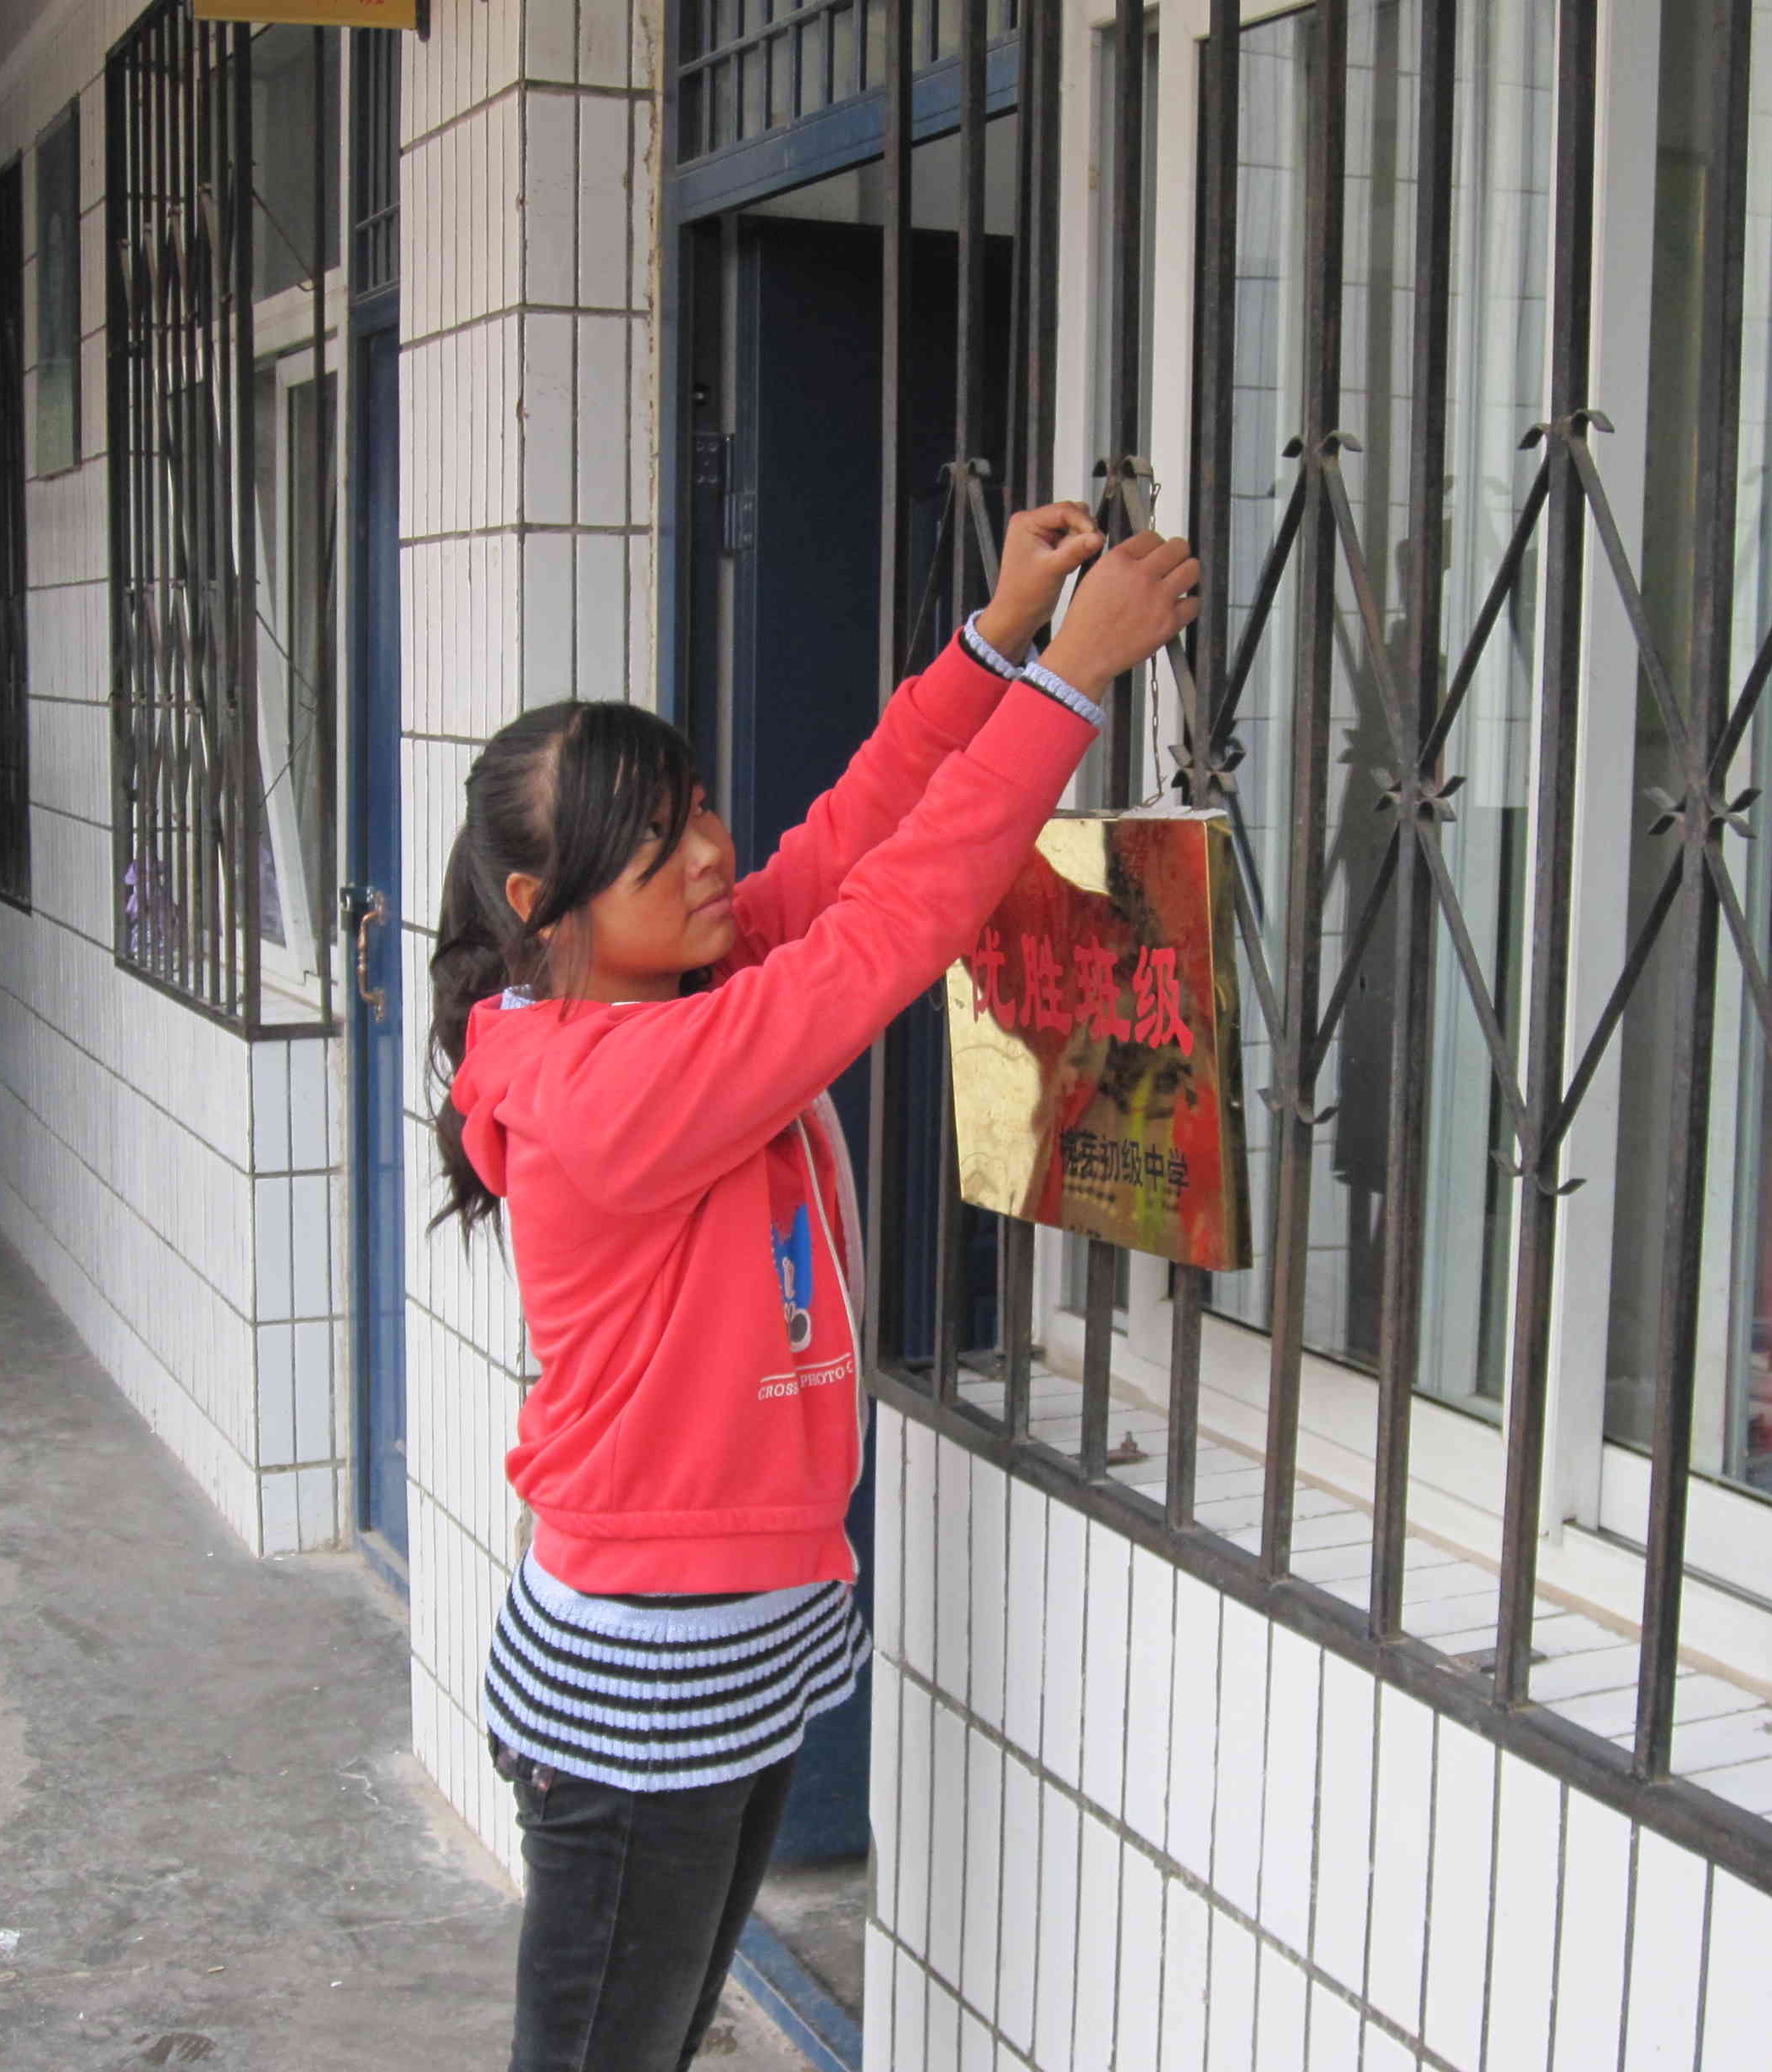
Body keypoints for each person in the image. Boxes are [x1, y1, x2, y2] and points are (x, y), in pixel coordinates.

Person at [427, 504, 1200, 2072]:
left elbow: (848, 847)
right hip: (644, 1676)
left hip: (729, 1640)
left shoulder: (672, 992)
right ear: (539, 898)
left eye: (700, 808)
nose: (713, 853)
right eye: (659, 844)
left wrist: (993, 642)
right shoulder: (615, 1086)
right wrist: (1070, 683)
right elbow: (889, 931)